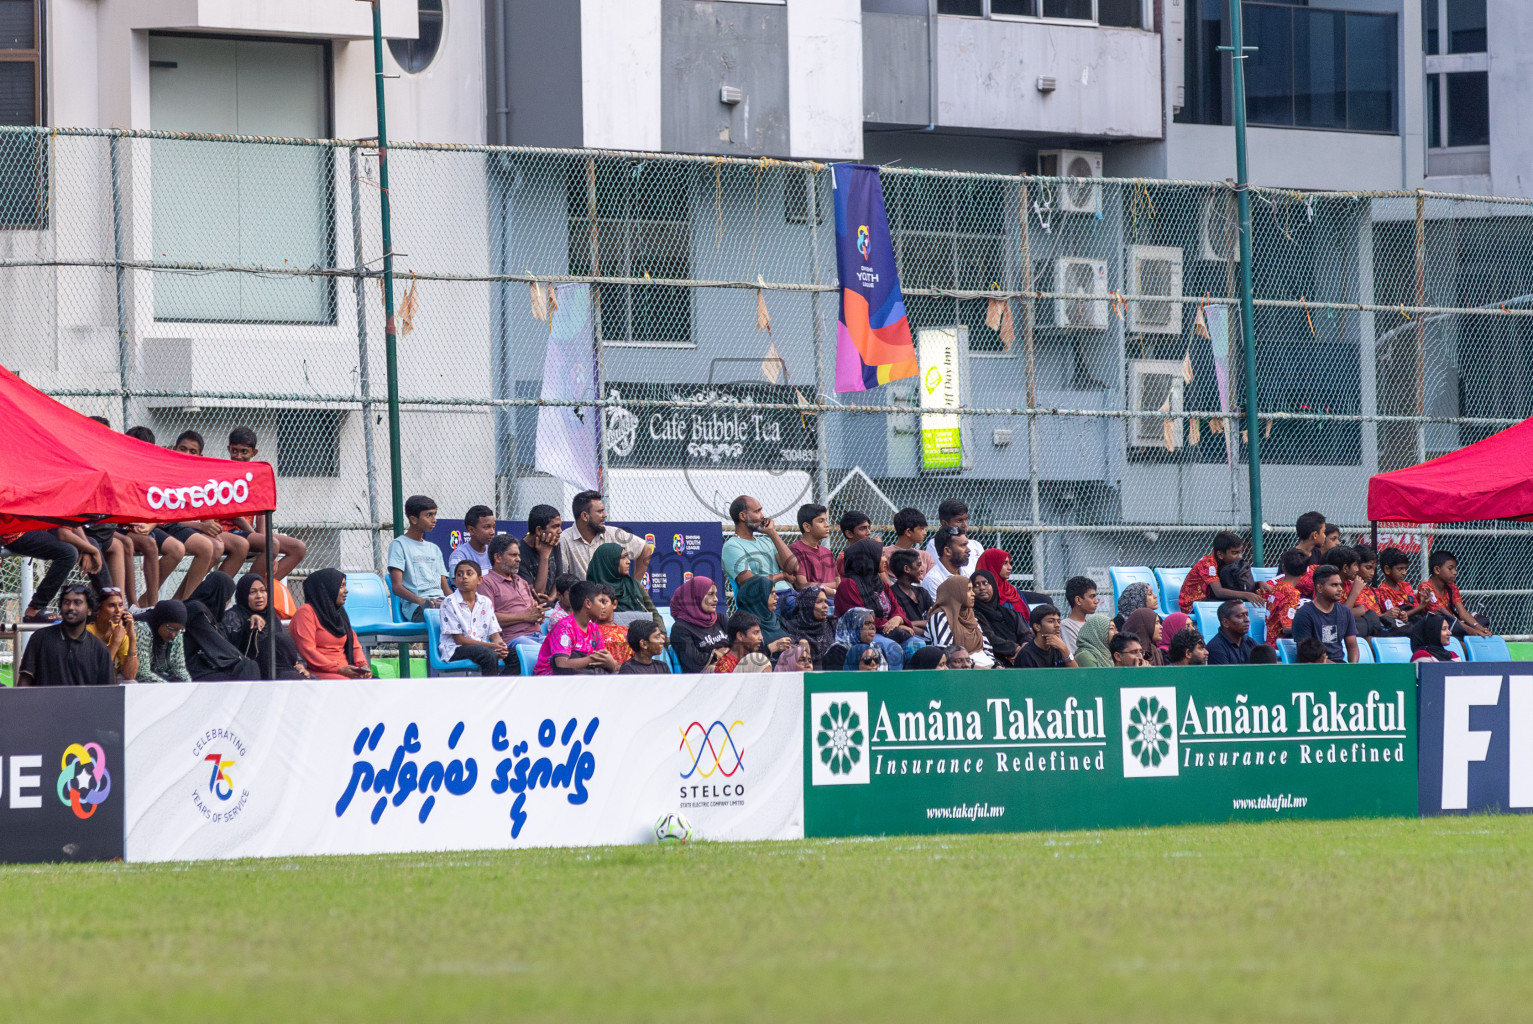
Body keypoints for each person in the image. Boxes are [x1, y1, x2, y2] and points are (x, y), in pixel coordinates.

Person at [168, 430, 252, 583]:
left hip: (193, 527)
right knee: (214, 546)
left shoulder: (202, 477)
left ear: (200, 457)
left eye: (192, 451)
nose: (187, 454)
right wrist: (201, 526)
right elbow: (165, 517)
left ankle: (212, 599)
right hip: (171, 526)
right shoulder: (167, 474)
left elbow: (206, 513)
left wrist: (207, 524)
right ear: (175, 449)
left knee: (241, 545)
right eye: (183, 449)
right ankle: (182, 598)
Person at [225, 427, 307, 581]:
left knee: (298, 548)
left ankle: (263, 589)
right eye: (234, 451)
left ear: (253, 453)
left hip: (250, 531)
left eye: (244, 452)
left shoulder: (257, 476)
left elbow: (262, 513)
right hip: (229, 530)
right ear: (228, 449)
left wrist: (263, 539)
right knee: (272, 545)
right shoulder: (226, 474)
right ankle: (249, 589)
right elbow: (236, 517)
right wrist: (263, 542)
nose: (238, 456)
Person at [16, 584, 115, 687]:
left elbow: (106, 694)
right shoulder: (39, 638)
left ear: (89, 610)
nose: (71, 607)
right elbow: (24, 684)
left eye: (77, 603)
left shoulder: (100, 650)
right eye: (66, 602)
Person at [835, 538, 907, 668]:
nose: (885, 560)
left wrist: (897, 619)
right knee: (893, 649)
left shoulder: (880, 583)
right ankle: (894, 688)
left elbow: (896, 607)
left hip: (883, 631)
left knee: (916, 644)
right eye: (881, 555)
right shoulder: (848, 585)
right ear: (868, 558)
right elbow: (861, 619)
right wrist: (890, 625)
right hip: (861, 636)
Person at [291, 568, 372, 679]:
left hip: (347, 670)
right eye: (341, 586)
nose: (346, 590)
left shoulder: (339, 613)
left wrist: (363, 666)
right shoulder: (305, 613)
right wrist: (338, 669)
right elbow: (308, 651)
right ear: (328, 589)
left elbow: (354, 645)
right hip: (322, 672)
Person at [479, 534, 545, 665]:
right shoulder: (486, 583)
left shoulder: (522, 582)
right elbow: (486, 618)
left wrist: (539, 615)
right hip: (514, 640)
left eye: (519, 555)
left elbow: (532, 614)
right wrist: (524, 616)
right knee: (546, 653)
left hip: (537, 635)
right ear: (497, 557)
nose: (519, 559)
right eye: (513, 555)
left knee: (568, 650)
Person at [224, 574, 306, 679]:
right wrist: (249, 626)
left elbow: (284, 647)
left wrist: (298, 665)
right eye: (253, 592)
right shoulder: (233, 616)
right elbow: (232, 651)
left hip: (278, 668)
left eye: (262, 590)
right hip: (250, 672)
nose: (259, 596)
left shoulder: (271, 616)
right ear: (243, 595)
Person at [183, 572, 261, 681]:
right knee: (247, 667)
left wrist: (249, 627)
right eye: (228, 597)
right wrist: (241, 659)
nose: (228, 602)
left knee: (248, 666)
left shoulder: (212, 615)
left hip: (207, 667)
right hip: (194, 669)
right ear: (220, 594)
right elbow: (215, 641)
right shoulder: (196, 610)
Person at [563, 490, 652, 581]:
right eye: (600, 512)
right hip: (580, 594)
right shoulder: (564, 540)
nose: (605, 515)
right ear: (585, 516)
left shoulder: (614, 534)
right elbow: (561, 578)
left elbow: (645, 548)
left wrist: (634, 587)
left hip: (612, 594)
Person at [534, 580, 619, 676]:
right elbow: (561, 664)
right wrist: (592, 658)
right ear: (588, 603)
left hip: (580, 677)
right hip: (551, 679)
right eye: (600, 601)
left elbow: (602, 658)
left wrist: (611, 663)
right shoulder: (564, 627)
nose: (603, 607)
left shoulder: (594, 628)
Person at [439, 561, 510, 675]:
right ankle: (490, 691)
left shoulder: (485, 602)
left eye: (469, 573)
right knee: (489, 654)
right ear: (454, 581)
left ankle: (504, 688)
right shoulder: (449, 602)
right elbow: (459, 640)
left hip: (482, 647)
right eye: (459, 574)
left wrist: (501, 647)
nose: (464, 577)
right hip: (456, 649)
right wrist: (492, 646)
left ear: (480, 580)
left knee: (515, 656)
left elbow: (494, 634)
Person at [388, 494, 450, 622]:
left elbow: (445, 587)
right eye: (429, 515)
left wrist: (460, 601)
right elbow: (397, 587)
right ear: (414, 519)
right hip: (417, 607)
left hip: (440, 603)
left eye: (435, 514)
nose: (434, 519)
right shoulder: (399, 545)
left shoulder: (434, 548)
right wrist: (422, 602)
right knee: (448, 616)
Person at [2, 528, 82, 623]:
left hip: (34, 526)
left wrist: (91, 550)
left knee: (89, 543)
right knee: (69, 552)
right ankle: (36, 608)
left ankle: (101, 600)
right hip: (13, 530)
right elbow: (64, 533)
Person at [721, 494, 798, 586]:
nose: (762, 516)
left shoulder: (767, 540)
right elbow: (749, 582)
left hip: (790, 595)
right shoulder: (732, 546)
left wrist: (772, 533)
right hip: (767, 598)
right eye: (757, 511)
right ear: (742, 516)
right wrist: (782, 576)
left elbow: (793, 568)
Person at [1179, 532, 1265, 612]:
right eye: (1235, 553)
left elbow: (1232, 587)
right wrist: (1247, 595)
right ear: (1220, 555)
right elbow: (1219, 592)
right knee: (1235, 607)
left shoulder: (1226, 563)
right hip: (1194, 604)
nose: (1240, 557)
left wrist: (1257, 584)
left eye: (1240, 552)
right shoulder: (1208, 564)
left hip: (1210, 599)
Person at [1418, 550, 1492, 638]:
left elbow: (1462, 612)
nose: (1455, 572)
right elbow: (1448, 616)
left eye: (1455, 568)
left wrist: (1480, 628)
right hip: (1439, 628)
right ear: (1437, 570)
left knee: (1482, 621)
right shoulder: (1427, 588)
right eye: (1450, 568)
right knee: (1457, 630)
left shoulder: (1452, 586)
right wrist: (1473, 631)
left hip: (1454, 623)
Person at [1292, 565, 1358, 664]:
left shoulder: (1345, 612)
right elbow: (1306, 653)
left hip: (1339, 666)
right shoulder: (1304, 614)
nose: (1340, 589)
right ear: (1320, 588)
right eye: (1334, 585)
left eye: (1340, 584)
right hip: (1315, 669)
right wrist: (1335, 668)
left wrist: (1352, 668)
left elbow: (1352, 646)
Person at [586, 541, 662, 627]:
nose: (628, 561)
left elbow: (654, 613)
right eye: (623, 558)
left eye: (627, 557)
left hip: (641, 636)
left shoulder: (633, 585)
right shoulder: (591, 591)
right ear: (610, 562)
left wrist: (661, 636)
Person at [926, 576, 995, 669]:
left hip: (984, 668)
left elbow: (987, 648)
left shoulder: (970, 617)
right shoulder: (940, 617)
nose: (973, 593)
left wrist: (996, 665)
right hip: (961, 671)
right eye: (968, 590)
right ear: (956, 593)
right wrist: (973, 665)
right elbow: (944, 653)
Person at [668, 577, 729, 674]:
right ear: (694, 597)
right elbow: (693, 662)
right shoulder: (680, 628)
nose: (716, 599)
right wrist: (717, 654)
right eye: (710, 594)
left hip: (730, 664)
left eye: (716, 594)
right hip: (702, 676)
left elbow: (738, 643)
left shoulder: (720, 618)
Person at [971, 569, 1031, 666]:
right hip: (993, 660)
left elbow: (1026, 633)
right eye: (976, 585)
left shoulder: (1008, 612)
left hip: (1020, 656)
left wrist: (1023, 647)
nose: (981, 588)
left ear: (993, 586)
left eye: (985, 583)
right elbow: (990, 638)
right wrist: (1015, 649)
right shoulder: (973, 614)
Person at [518, 504, 568, 603]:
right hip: (532, 607)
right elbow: (538, 595)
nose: (560, 531)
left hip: (552, 603)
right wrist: (544, 556)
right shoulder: (518, 553)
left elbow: (558, 579)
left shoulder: (553, 543)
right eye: (555, 527)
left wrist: (551, 598)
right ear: (539, 530)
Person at [87, 586, 139, 681]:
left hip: (110, 684)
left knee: (132, 683)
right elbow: (96, 673)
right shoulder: (87, 632)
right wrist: (115, 642)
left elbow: (130, 675)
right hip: (88, 685)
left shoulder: (119, 631)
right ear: (98, 609)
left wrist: (132, 638)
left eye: (120, 605)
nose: (118, 610)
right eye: (111, 605)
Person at [134, 599, 191, 682]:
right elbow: (142, 673)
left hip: (158, 677)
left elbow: (180, 669)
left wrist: (189, 688)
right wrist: (168, 688)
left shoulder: (177, 633)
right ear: (160, 621)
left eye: (178, 630)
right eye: (170, 628)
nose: (173, 634)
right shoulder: (141, 628)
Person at [735, 574, 792, 654]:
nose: (777, 597)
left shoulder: (776, 618)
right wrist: (770, 648)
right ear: (758, 596)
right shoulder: (741, 624)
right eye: (771, 593)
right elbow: (743, 657)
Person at [784, 585, 836, 670]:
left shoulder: (832, 625)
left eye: (826, 602)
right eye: (819, 602)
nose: (825, 606)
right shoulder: (790, 628)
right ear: (807, 605)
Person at [923, 499, 979, 576]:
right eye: (959, 521)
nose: (965, 525)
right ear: (944, 523)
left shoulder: (976, 545)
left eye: (966, 520)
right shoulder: (934, 544)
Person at [789, 503, 838, 590]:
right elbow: (802, 585)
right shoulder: (796, 549)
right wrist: (832, 588)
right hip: (813, 601)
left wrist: (820, 586)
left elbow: (838, 583)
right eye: (821, 521)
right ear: (807, 527)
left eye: (826, 520)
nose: (827, 525)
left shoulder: (827, 552)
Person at [887, 549, 933, 638]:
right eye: (919, 565)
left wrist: (910, 623)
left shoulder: (922, 592)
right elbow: (898, 627)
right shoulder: (892, 595)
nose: (922, 569)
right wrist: (924, 624)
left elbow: (934, 621)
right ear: (907, 569)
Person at [1264, 548, 1308, 639]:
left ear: (1283, 568)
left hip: (1269, 639)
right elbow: (1286, 628)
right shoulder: (1292, 593)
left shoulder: (1276, 587)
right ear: (1304, 573)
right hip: (1280, 644)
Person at [1013, 604, 1077, 668]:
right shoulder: (1026, 654)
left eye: (1058, 621)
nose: (1057, 625)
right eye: (1051, 621)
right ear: (1037, 627)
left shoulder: (1059, 647)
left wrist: (1064, 649)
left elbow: (1076, 674)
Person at [920, 526, 970, 601]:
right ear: (947, 551)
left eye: (967, 545)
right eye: (963, 545)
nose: (968, 550)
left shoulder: (966, 574)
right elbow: (939, 612)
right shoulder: (933, 580)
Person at [590, 583, 634, 668]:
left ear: (614, 604)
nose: (600, 607)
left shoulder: (627, 633)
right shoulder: (586, 631)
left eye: (604, 602)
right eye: (596, 603)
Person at [976, 548, 1029, 616]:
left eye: (1009, 563)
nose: (1010, 568)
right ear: (993, 565)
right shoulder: (982, 593)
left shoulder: (1013, 591)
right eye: (1005, 563)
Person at [447, 505, 497, 576]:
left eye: (493, 527)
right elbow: (457, 583)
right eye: (486, 527)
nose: (492, 532)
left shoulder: (495, 553)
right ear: (471, 530)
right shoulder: (459, 555)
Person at [1205, 599, 1258, 665]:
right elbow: (1225, 675)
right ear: (1225, 622)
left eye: (1246, 615)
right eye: (1240, 616)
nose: (1247, 620)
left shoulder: (1250, 642)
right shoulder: (1216, 648)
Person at [890, 508, 934, 580]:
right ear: (908, 532)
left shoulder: (925, 556)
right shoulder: (885, 554)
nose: (925, 533)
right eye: (921, 529)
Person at [832, 608, 880, 672]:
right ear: (854, 626)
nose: (873, 627)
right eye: (866, 623)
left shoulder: (876, 647)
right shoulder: (838, 651)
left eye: (873, 623)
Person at [1293, 511, 1328, 596]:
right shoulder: (1292, 556)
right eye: (1323, 532)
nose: (1325, 536)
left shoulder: (1316, 552)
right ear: (1315, 535)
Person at [1061, 576, 1099, 655]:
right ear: (1078, 600)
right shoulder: (1066, 626)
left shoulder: (1092, 625)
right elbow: (1076, 655)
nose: (1096, 601)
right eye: (1092, 597)